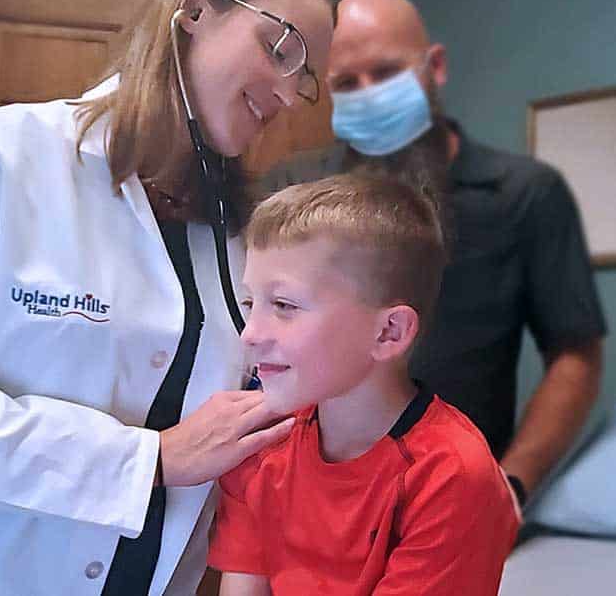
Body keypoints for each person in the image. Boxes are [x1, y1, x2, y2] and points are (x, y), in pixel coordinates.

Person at [0, 0, 335, 594]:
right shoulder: (0, 159)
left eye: (304, 80)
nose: (285, 93)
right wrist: (150, 460)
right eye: (279, 48)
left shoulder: (244, 236)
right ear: (193, 6)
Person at [267, 0, 606, 508]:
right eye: (347, 84)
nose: (369, 94)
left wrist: (509, 489)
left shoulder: (525, 195)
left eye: (385, 74)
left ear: (436, 66)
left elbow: (576, 355)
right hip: (313, 500)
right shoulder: (298, 191)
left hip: (456, 500)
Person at [208, 173, 521, 595]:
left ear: (388, 332)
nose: (250, 333)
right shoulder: (261, 446)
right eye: (250, 303)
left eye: (283, 305)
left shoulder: (452, 476)